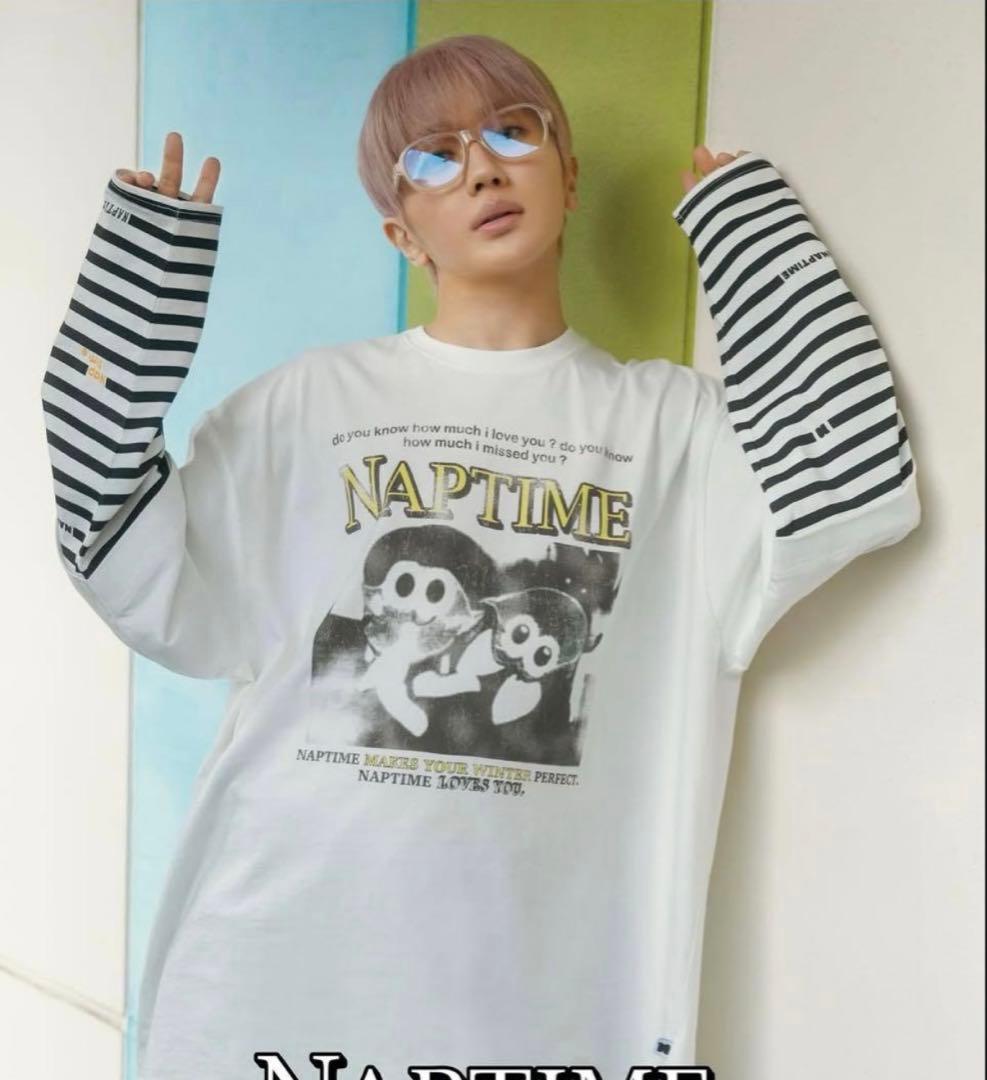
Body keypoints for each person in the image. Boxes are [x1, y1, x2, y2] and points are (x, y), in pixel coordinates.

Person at [40, 32, 920, 1079]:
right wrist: (134, 302)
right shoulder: (309, 405)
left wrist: (750, 238)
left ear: (567, 174)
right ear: (399, 231)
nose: (482, 168)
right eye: (433, 155)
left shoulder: (672, 432)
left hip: (550, 1009)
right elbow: (116, 548)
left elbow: (855, 478)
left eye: (513, 130)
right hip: (277, 976)